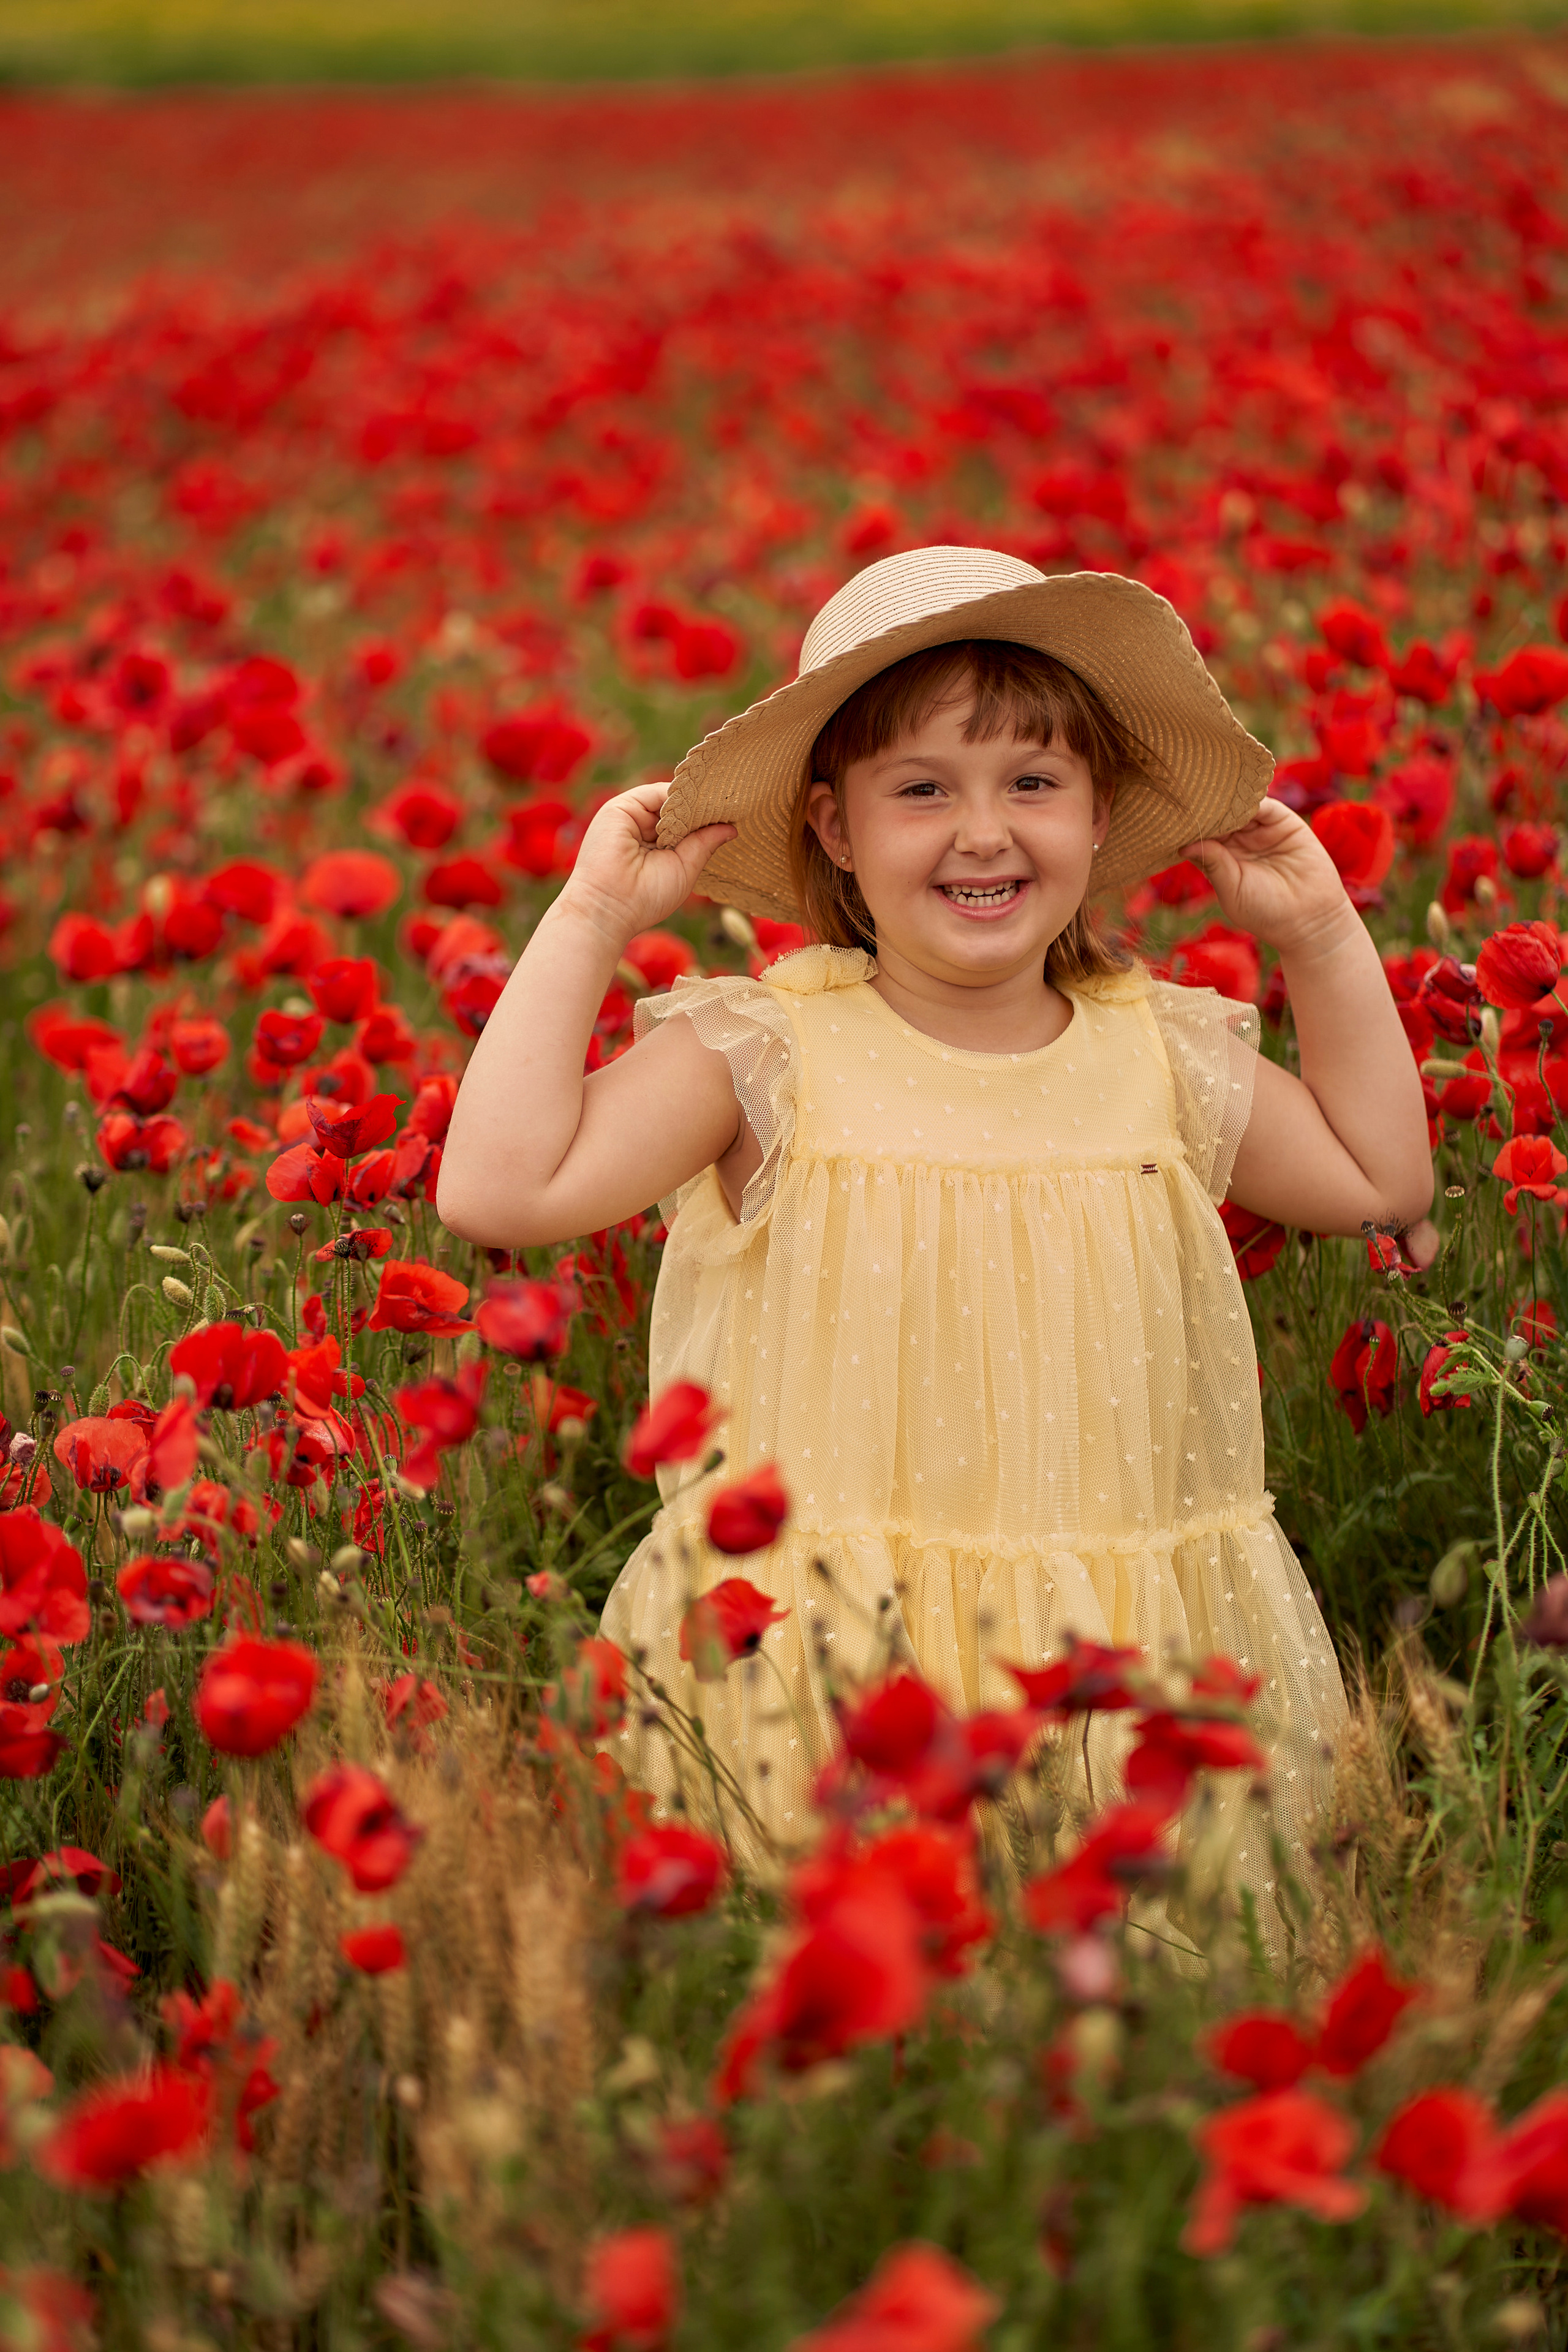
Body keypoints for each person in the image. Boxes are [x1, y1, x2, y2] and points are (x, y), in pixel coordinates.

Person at [437, 547, 1435, 1919]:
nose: (983, 833)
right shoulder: (764, 1055)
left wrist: (1318, 933)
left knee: (1122, 1998)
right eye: (921, 790)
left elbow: (1382, 1181)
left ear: (1098, 816)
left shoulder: (1157, 1059)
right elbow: (497, 1193)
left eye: (1032, 784)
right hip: (827, 1669)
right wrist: (594, 913)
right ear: (835, 828)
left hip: (1108, 1661)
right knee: (842, 1992)